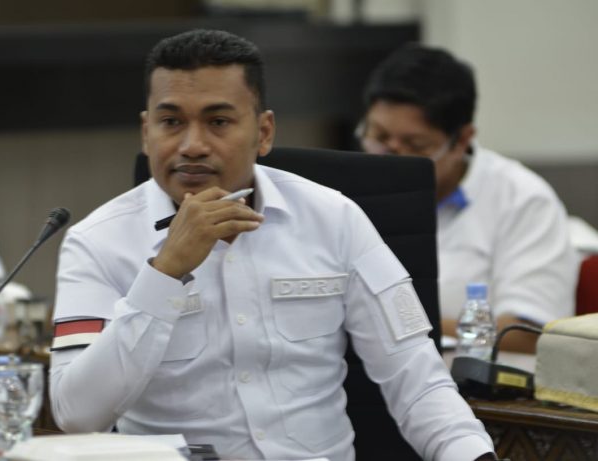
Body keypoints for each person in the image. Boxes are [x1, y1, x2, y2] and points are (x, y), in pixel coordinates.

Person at [49, 29, 496, 461]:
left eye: (218, 122)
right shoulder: (98, 242)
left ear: (263, 132)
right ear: (146, 133)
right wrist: (164, 274)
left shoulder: (334, 219)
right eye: (171, 122)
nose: (192, 145)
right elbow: (76, 415)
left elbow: (417, 380)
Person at [357, 44, 579, 353]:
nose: (389, 159)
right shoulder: (345, 191)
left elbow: (526, 334)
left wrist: (387, 322)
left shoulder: (522, 200)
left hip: (468, 376)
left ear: (462, 140)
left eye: (415, 145)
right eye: (379, 137)